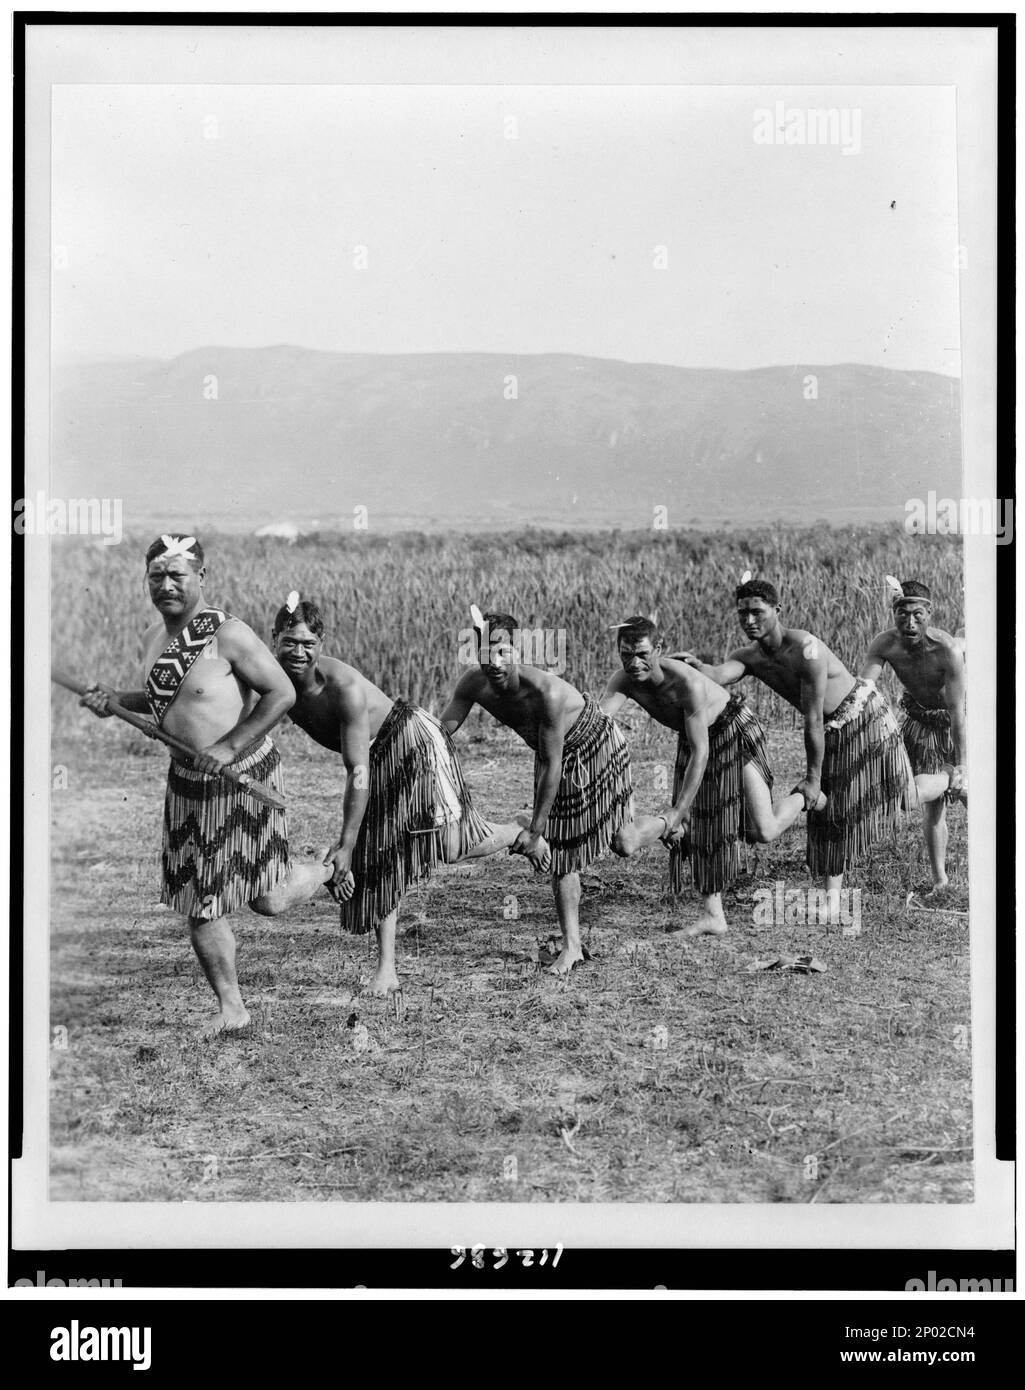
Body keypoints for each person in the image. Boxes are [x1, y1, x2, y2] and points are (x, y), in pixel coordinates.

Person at [79, 534, 317, 1038]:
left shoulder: (229, 635)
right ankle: (233, 1007)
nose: (165, 585)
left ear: (201, 579)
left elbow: (283, 693)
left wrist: (229, 747)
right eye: (156, 577)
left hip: (244, 774)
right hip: (188, 784)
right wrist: (114, 700)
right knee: (200, 902)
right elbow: (167, 697)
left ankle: (327, 868)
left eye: (177, 576)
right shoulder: (150, 638)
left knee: (268, 900)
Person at [269, 596, 546, 995]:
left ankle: (517, 827)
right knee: (384, 851)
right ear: (274, 639)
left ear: (322, 643)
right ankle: (387, 970)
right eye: (289, 642)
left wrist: (346, 843)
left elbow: (356, 770)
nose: (298, 652)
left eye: (307, 644)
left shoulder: (341, 686)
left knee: (452, 846)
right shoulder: (273, 680)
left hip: (412, 740)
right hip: (377, 755)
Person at [679, 578, 911, 905]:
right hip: (831, 729)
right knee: (832, 807)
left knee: (902, 799)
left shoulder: (806, 648)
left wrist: (814, 778)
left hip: (862, 716)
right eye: (742, 614)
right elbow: (719, 675)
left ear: (778, 610)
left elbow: (813, 718)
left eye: (757, 612)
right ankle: (832, 901)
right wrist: (693, 666)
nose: (749, 621)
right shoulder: (750, 656)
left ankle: (949, 781)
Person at [600, 615, 825, 936]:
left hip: (732, 729)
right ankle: (714, 916)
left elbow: (701, 753)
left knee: (763, 829)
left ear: (659, 649)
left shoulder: (685, 683)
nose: (634, 663)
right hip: (695, 738)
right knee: (698, 826)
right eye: (626, 655)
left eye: (642, 654)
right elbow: (599, 719)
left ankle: (806, 798)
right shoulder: (622, 679)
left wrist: (678, 811)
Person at [441, 609, 632, 974]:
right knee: (564, 851)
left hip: (596, 744)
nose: (494, 662)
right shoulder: (472, 684)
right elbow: (441, 729)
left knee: (624, 842)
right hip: (553, 755)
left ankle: (673, 823)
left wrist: (536, 830)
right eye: (485, 653)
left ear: (518, 651)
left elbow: (552, 763)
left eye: (503, 652)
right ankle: (572, 947)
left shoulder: (545, 692)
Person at [860, 579, 966, 897]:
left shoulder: (946, 650)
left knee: (968, 795)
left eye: (917, 614)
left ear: (929, 612)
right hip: (918, 722)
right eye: (902, 614)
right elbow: (863, 691)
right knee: (929, 808)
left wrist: (964, 765)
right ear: (893, 612)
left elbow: (958, 714)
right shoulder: (884, 644)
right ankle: (941, 882)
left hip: (955, 723)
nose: (909, 622)